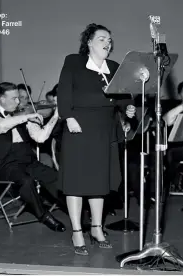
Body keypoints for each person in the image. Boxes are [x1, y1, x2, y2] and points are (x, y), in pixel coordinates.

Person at [56, 23, 135, 255]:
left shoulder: (114, 66)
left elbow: (123, 96)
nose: (107, 42)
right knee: (77, 181)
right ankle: (77, 231)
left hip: (104, 129)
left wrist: (129, 108)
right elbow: (64, 92)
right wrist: (68, 117)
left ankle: (97, 228)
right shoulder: (74, 62)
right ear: (89, 41)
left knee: (99, 182)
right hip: (79, 127)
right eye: (102, 38)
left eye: (109, 39)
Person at [0, 82, 66, 232]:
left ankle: (77, 212)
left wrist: (55, 116)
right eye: (14, 98)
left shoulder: (22, 114)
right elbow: (1, 126)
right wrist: (27, 116)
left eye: (18, 99)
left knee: (55, 177)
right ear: (1, 99)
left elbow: (41, 137)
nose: (18, 102)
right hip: (6, 164)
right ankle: (43, 215)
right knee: (26, 181)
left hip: (28, 160)